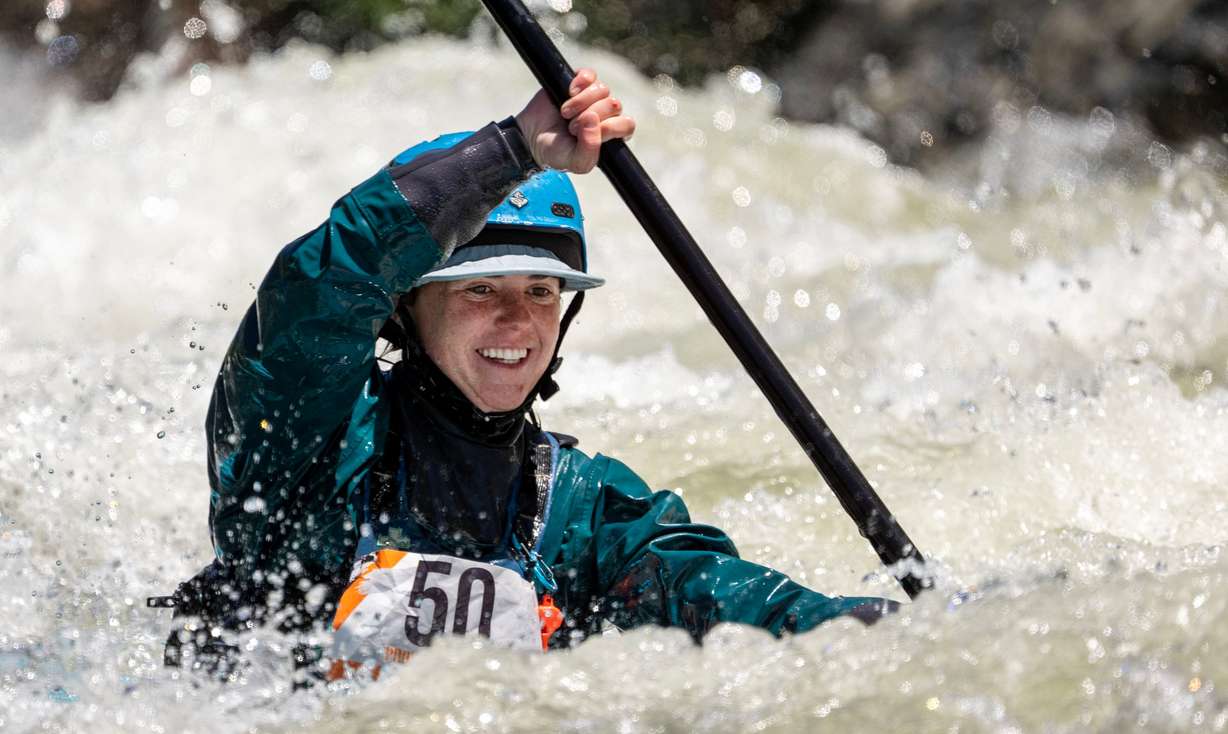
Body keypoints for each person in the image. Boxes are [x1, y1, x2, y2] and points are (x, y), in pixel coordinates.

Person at [157, 68, 894, 676]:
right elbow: (320, 287)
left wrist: (864, 628)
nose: (517, 322)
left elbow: (710, 594)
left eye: (539, 292)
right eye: (481, 289)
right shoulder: (306, 446)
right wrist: (514, 149)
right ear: (409, 306)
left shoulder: (580, 508)